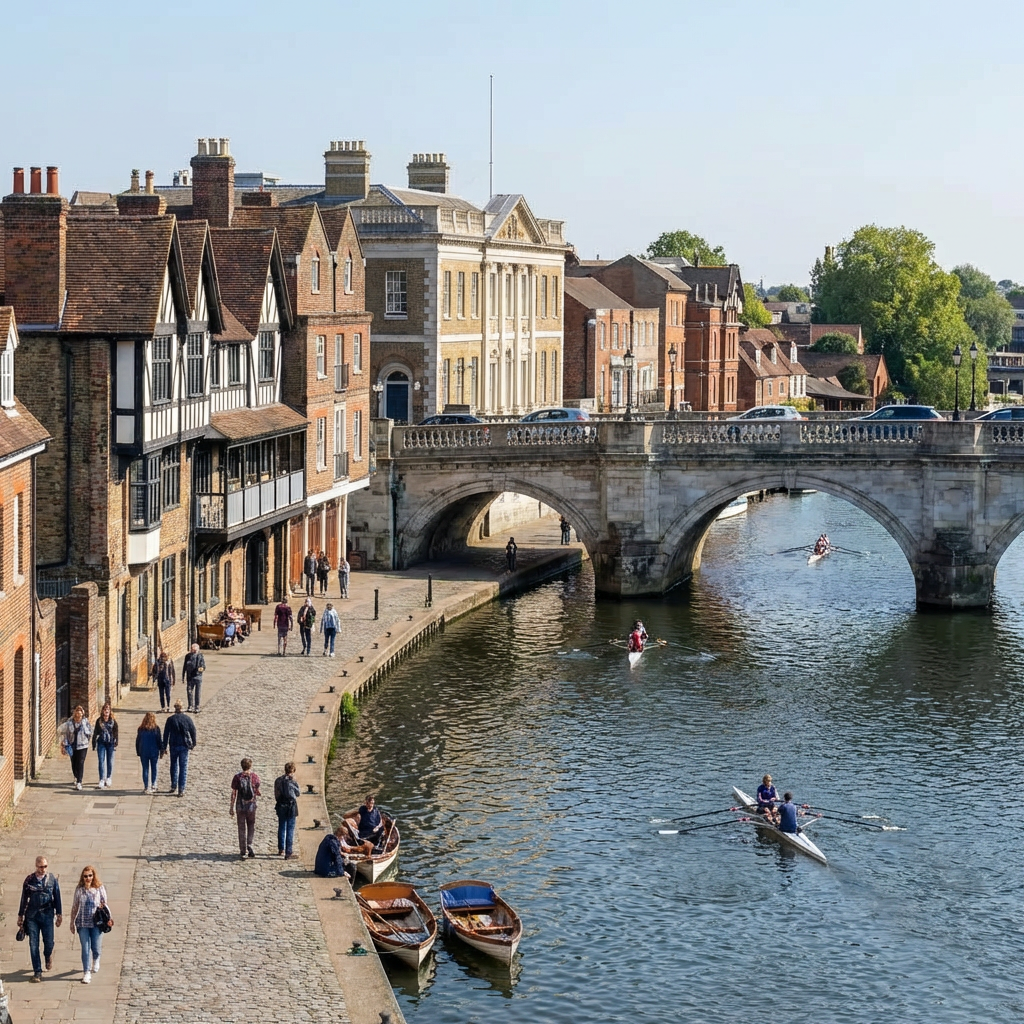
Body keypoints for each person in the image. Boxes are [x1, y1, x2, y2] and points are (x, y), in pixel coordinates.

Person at [18, 856, 63, 983]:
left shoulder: (52, 879)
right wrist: (20, 916)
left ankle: (48, 955)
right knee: (33, 944)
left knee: (49, 942)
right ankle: (37, 971)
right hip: (32, 916)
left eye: (45, 866)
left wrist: (59, 914)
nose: (43, 869)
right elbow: (23, 898)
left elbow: (57, 897)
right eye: (40, 866)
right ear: (36, 866)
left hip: (48, 915)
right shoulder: (29, 880)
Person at [69, 865, 108, 985]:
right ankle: (86, 972)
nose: (88, 878)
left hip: (96, 922)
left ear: (93, 876)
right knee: (85, 948)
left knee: (95, 947)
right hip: (82, 923)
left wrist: (108, 917)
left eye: (90, 875)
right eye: (85, 876)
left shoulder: (99, 887)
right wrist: (72, 921)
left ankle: (96, 958)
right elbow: (75, 906)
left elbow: (104, 904)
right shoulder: (79, 889)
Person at [162, 700, 196, 797]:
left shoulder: (170, 720)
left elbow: (166, 734)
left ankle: (173, 785)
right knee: (183, 767)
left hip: (173, 745)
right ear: (182, 708)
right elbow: (193, 731)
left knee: (173, 765)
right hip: (184, 745)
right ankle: (181, 789)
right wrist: (193, 743)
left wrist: (164, 746)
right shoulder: (187, 719)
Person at [230, 757, 261, 860]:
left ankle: (243, 850)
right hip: (251, 806)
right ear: (250, 766)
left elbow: (234, 793)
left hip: (240, 805)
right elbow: (257, 790)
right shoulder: (255, 777)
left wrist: (231, 807)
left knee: (241, 827)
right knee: (251, 825)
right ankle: (250, 844)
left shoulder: (237, 777)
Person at [60, 705, 92, 790]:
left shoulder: (85, 722)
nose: (78, 712)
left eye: (80, 711)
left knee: (80, 762)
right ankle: (76, 775)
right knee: (74, 763)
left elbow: (89, 732)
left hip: (83, 745)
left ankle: (79, 781)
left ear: (82, 713)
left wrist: (87, 741)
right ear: (74, 712)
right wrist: (64, 743)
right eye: (77, 710)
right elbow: (64, 733)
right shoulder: (69, 722)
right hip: (72, 745)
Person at [274, 762, 301, 860]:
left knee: (281, 826)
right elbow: (298, 793)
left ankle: (281, 849)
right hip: (290, 806)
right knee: (290, 828)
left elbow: (276, 794)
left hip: (281, 805)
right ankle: (288, 852)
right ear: (293, 771)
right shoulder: (292, 781)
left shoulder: (278, 780)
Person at [91, 703, 118, 789]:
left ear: (110, 711)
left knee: (109, 761)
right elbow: (95, 732)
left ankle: (109, 777)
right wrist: (93, 743)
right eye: (105, 709)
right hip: (101, 743)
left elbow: (116, 731)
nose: (106, 711)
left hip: (110, 743)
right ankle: (101, 779)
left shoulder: (113, 721)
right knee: (101, 761)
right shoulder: (99, 721)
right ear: (103, 711)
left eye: (108, 709)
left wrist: (116, 740)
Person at [136, 712, 162, 794]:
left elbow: (137, 741)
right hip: (154, 752)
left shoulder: (141, 729)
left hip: (144, 751)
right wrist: (162, 750)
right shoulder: (156, 729)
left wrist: (138, 751)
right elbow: (159, 741)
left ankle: (146, 786)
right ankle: (154, 784)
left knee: (145, 769)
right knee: (154, 768)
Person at [182, 643, 206, 713]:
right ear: (191, 650)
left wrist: (200, 669)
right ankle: (190, 706)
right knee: (189, 691)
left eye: (196, 650)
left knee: (197, 692)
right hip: (190, 677)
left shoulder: (200, 656)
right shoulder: (188, 656)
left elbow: (204, 666)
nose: (194, 651)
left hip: (198, 677)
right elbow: (184, 667)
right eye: (193, 650)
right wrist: (183, 676)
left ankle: (197, 706)